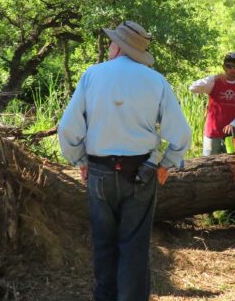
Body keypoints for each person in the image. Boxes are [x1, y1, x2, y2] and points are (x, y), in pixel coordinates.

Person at [58, 21, 191, 301]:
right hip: (141, 172)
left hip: (99, 172)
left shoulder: (92, 75)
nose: (108, 47)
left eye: (110, 43)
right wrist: (167, 162)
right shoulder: (155, 80)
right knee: (134, 247)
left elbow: (68, 129)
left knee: (104, 246)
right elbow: (181, 134)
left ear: (117, 47)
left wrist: (79, 159)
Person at [189, 52, 235, 156]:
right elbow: (192, 88)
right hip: (212, 133)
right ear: (224, 67)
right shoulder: (214, 81)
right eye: (229, 66)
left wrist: (233, 124)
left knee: (232, 165)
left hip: (232, 134)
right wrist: (212, 78)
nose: (232, 69)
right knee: (207, 165)